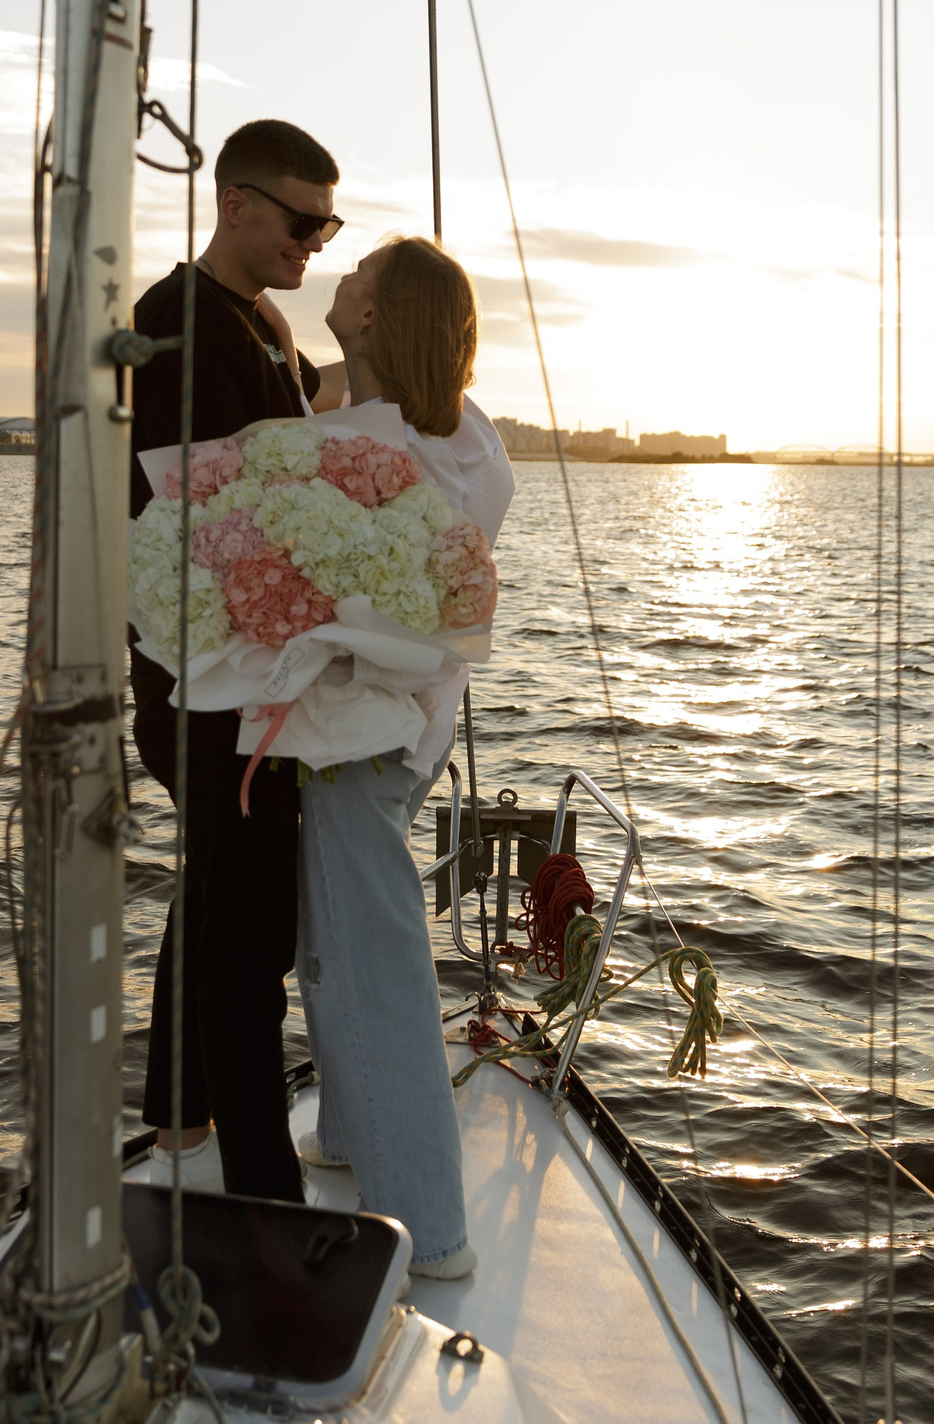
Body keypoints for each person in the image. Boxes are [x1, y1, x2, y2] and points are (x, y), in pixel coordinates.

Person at [129, 118, 344, 1202]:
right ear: (236, 204)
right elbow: (222, 486)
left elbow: (306, 412)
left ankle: (175, 1118)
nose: (315, 242)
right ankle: (261, 1182)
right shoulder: (176, 318)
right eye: (302, 221)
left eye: (328, 223)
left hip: (249, 671)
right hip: (201, 678)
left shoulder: (258, 318)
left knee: (216, 888)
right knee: (247, 926)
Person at [296, 236, 512, 1279]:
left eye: (358, 279)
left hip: (353, 732)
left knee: (373, 966)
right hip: (417, 728)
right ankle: (344, 1137)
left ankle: (429, 1230)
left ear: (376, 316)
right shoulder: (471, 442)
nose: (338, 285)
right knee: (333, 939)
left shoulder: (363, 451)